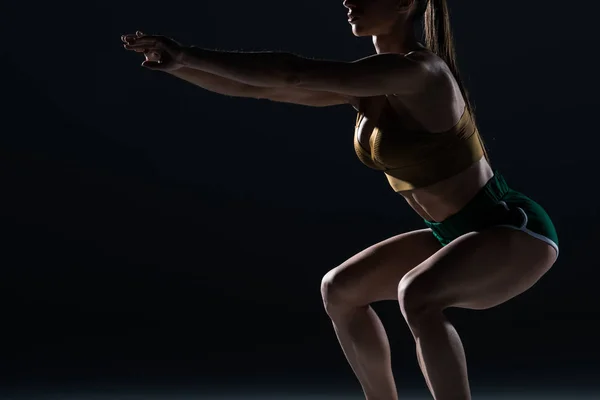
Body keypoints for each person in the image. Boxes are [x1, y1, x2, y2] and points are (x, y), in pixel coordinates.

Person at [121, 0, 559, 398]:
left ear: (406, 3)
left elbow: (293, 71)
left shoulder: (420, 73)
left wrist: (189, 53)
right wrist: (178, 64)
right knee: (341, 289)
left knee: (419, 294)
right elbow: (264, 88)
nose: (348, 1)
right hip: (451, 233)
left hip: (509, 229)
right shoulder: (369, 82)